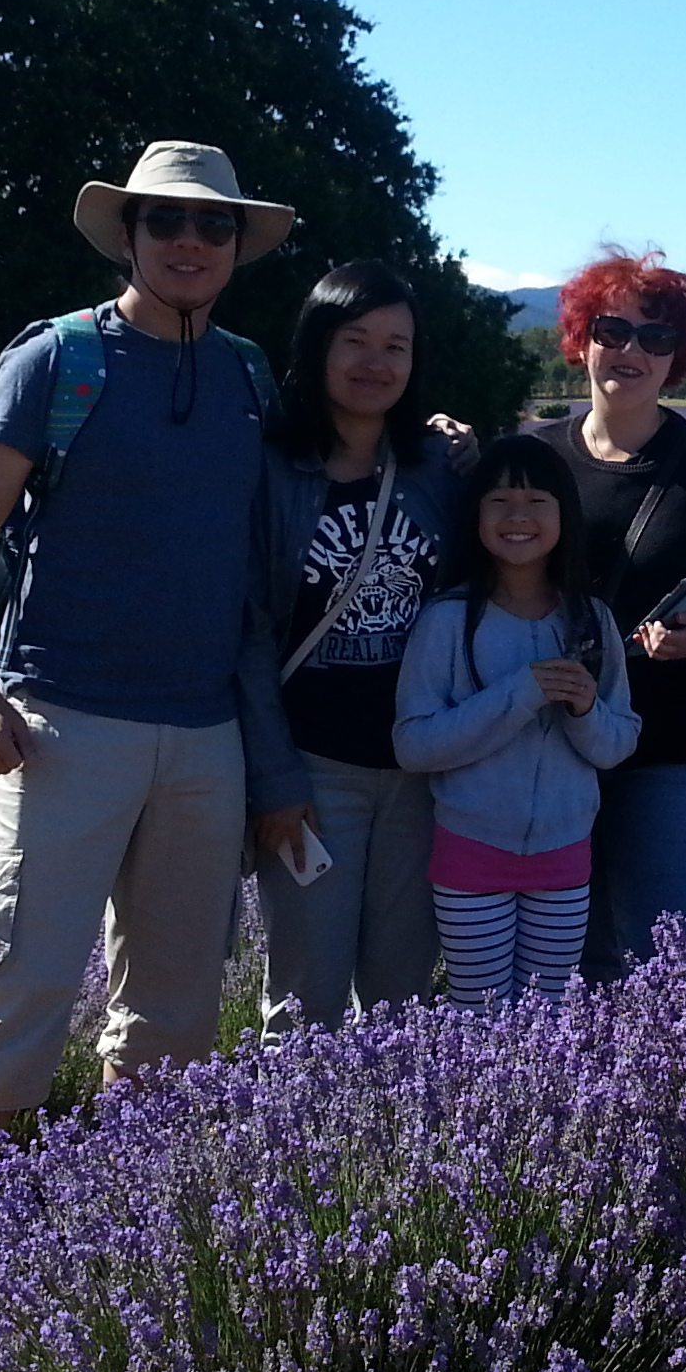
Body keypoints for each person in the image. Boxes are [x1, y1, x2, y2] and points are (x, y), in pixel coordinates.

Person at [0, 139, 311, 1215]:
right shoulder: (57, 358)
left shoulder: (244, 372)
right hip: (62, 724)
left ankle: (122, 1237)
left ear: (237, 245)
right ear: (128, 235)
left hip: (203, 737)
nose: (190, 241)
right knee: (20, 990)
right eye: (167, 222)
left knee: (177, 1014)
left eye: (213, 226)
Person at [530, 250, 686, 978]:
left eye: (656, 338)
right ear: (582, 338)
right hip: (550, 742)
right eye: (613, 330)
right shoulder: (533, 457)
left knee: (662, 964)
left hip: (674, 745)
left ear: (678, 357)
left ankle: (657, 1098)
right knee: (556, 964)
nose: (631, 351)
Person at [244, 260, 468, 1031]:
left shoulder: (438, 469)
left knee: (402, 995)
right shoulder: (273, 469)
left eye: (396, 347)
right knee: (304, 999)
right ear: (317, 349)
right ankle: (291, 1149)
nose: (377, 363)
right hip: (312, 773)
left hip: (418, 774)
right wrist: (273, 776)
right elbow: (248, 631)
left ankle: (382, 1149)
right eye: (356, 341)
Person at [391, 436, 639, 1006]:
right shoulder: (448, 621)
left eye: (537, 501)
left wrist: (583, 711)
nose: (518, 517)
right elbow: (413, 744)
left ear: (564, 516)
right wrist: (520, 695)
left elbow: (618, 740)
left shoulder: (592, 620)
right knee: (479, 1019)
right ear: (475, 516)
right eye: (500, 501)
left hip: (565, 856)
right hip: (472, 855)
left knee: (547, 1023)